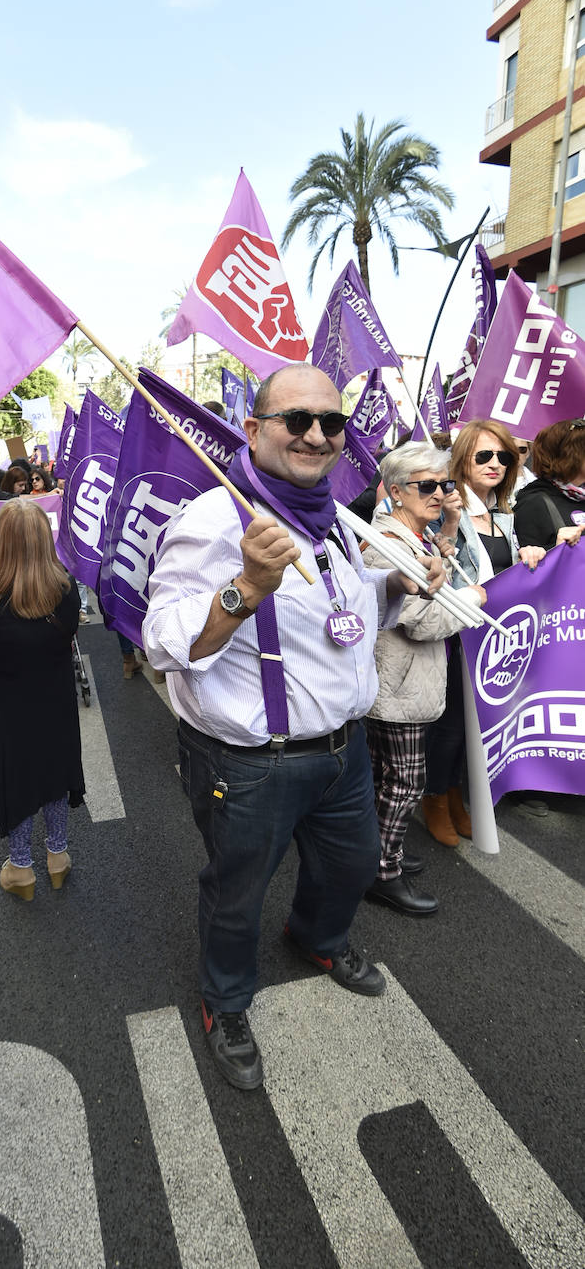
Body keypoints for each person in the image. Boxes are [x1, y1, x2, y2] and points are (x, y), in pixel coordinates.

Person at [142, 365, 444, 1090]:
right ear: (254, 430)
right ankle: (226, 1000)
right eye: (295, 420)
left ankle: (315, 937)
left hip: (342, 751)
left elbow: (346, 619)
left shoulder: (337, 519)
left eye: (330, 423)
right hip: (250, 762)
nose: (314, 435)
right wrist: (245, 587)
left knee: (350, 865)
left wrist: (393, 583)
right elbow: (160, 641)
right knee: (237, 891)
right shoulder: (213, 522)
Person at [361, 445, 485, 916]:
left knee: (384, 778)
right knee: (404, 783)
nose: (440, 494)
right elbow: (423, 621)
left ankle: (377, 853)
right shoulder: (385, 545)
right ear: (395, 492)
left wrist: (449, 528)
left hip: (406, 683)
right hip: (398, 688)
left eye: (446, 484)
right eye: (427, 486)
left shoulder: (416, 534)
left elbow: (439, 574)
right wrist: (474, 598)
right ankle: (381, 871)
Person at [421, 419, 545, 840]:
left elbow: (509, 576)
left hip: (495, 640)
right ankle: (435, 796)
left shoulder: (506, 517)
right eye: (484, 455)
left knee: (478, 724)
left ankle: (455, 793)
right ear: (463, 459)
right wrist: (451, 524)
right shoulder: (440, 503)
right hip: (457, 636)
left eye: (505, 456)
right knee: (452, 725)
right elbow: (432, 562)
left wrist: (532, 555)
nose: (496, 463)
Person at [0, 499, 84, 900]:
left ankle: (21, 868)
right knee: (55, 772)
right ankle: (58, 857)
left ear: (1, 542)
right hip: (55, 702)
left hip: (7, 707)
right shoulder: (66, 593)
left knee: (17, 777)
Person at [514, 418, 585, 550]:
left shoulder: (580, 496)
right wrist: (558, 547)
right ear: (568, 455)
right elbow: (527, 564)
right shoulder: (533, 502)